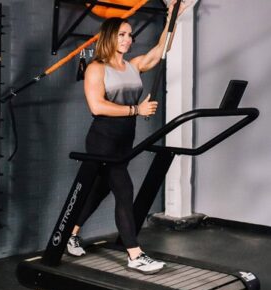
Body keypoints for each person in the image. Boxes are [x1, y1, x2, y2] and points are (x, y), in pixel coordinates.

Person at [67, 0, 192, 274]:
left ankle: (70, 233)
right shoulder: (96, 68)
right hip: (102, 139)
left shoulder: (133, 65)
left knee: (99, 190)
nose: (127, 39)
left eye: (129, 34)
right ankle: (134, 254)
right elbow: (97, 106)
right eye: (122, 34)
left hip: (125, 140)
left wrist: (173, 17)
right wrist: (137, 109)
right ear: (110, 37)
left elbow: (161, 50)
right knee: (124, 190)